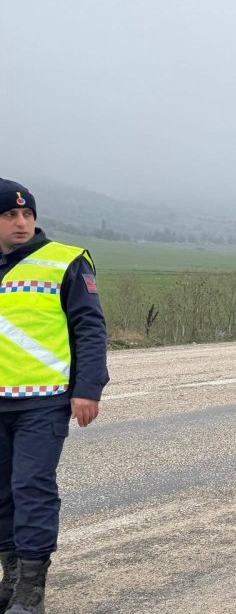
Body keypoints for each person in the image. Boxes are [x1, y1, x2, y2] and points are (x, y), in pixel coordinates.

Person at [0, 179, 109, 613]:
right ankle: (10, 579)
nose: (22, 222)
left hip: (43, 400)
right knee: (2, 492)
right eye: (10, 214)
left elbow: (90, 327)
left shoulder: (65, 262)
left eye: (27, 214)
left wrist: (88, 388)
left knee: (31, 487)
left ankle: (31, 590)